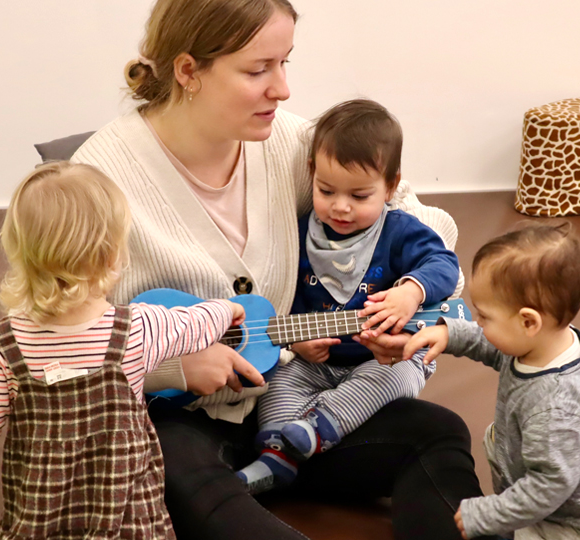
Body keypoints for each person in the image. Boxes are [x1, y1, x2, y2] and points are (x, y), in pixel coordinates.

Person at [72, 1, 494, 538]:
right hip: (183, 421)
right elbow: (49, 341)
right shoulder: (94, 183)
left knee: (440, 433)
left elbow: (421, 225)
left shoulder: (293, 143)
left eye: (284, 62)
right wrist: (173, 368)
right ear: (188, 71)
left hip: (300, 405)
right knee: (176, 469)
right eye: (258, 70)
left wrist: (409, 295)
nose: (283, 89)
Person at [0, 161, 256, 539]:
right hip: (126, 516)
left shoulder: (8, 342)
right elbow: (193, 324)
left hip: (42, 518)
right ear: (110, 256)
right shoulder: (137, 328)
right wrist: (227, 310)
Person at [235, 99, 460, 494]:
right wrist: (296, 343)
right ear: (312, 174)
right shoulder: (298, 232)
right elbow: (281, 293)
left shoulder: (399, 231)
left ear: (390, 186)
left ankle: (316, 430)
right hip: (314, 362)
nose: (340, 207)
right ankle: (277, 454)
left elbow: (444, 264)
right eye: (326, 191)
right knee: (279, 380)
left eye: (359, 196)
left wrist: (411, 292)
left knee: (397, 374)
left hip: (379, 358)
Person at [402, 223, 580, 540]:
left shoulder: (554, 407)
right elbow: (496, 346)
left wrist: (488, 513)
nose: (478, 322)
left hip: (575, 521)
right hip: (561, 472)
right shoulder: (548, 341)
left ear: (528, 322)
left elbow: (549, 486)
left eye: (484, 316)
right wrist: (451, 334)